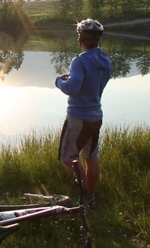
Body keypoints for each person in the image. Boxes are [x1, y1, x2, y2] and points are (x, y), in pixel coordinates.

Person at [55, 18, 113, 207]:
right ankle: (91, 196)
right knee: (91, 157)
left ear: (80, 37)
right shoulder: (105, 60)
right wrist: (74, 78)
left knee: (67, 157)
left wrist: (59, 82)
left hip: (78, 117)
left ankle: (85, 195)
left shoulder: (79, 61)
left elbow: (72, 88)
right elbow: (90, 82)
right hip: (96, 115)